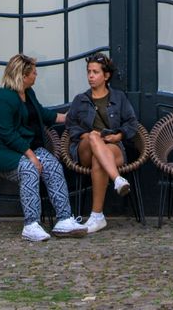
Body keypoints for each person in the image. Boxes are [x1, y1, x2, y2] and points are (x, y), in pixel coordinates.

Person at [0, 53, 87, 242]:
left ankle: (64, 220)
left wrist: (68, 117)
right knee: (29, 170)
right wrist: (31, 156)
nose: (36, 75)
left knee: (52, 165)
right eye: (34, 72)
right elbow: (7, 134)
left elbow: (42, 114)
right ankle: (31, 225)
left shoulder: (27, 93)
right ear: (23, 75)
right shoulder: (3, 98)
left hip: (20, 148)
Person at [65, 52, 140, 234]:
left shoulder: (119, 97)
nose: (91, 76)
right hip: (85, 149)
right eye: (89, 72)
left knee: (100, 158)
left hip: (112, 146)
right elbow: (71, 126)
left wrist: (119, 136)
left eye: (95, 72)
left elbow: (132, 123)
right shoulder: (80, 100)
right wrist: (89, 136)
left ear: (106, 76)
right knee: (93, 137)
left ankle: (97, 216)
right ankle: (117, 179)